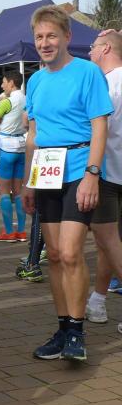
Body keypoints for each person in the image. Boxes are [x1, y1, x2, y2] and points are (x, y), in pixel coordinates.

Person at [22, 5, 113, 361]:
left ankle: (77, 331)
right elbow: (33, 134)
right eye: (39, 37)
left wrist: (93, 173)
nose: (45, 43)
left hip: (78, 168)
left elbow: (100, 126)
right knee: (56, 255)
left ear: (67, 37)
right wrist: (28, 182)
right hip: (46, 171)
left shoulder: (87, 72)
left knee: (73, 252)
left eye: (51, 36)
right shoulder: (35, 80)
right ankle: (62, 329)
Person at [84, 30, 122, 324]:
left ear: (106, 48)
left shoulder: (106, 85)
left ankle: (97, 302)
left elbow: (96, 129)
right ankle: (97, 301)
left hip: (107, 173)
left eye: (93, 46)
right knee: (109, 242)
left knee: (107, 240)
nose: (89, 52)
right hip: (112, 172)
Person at [0, 70, 28, 242]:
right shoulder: (26, 99)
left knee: (4, 192)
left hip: (6, 147)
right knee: (19, 192)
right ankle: (21, 231)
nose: (2, 85)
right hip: (21, 146)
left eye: (4, 82)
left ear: (12, 83)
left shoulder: (7, 101)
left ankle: (8, 232)